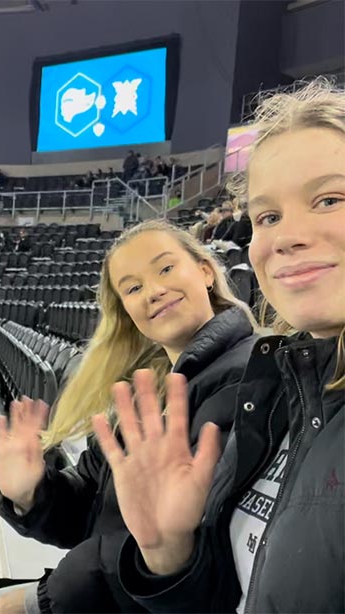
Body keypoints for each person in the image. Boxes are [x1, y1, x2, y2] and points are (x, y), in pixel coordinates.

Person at [90, 78, 345, 614]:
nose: (285, 236)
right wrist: (166, 552)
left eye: (328, 199)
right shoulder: (281, 390)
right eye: (268, 216)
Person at [0, 220, 258, 614]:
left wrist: (47, 601)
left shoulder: (246, 379)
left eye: (165, 268)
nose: (154, 291)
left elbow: (189, 558)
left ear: (204, 270)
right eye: (133, 288)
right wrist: (32, 494)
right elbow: (90, 512)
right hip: (97, 591)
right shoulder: (148, 386)